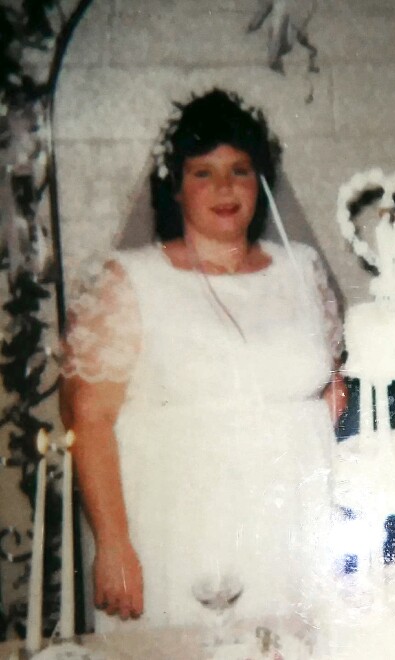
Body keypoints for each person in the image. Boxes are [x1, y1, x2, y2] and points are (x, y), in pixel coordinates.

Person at [59, 89, 347, 631]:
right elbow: (90, 417)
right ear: (175, 184)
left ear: (259, 182)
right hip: (182, 530)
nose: (224, 188)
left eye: (239, 170)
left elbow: (329, 382)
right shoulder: (131, 279)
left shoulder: (301, 267)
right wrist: (114, 545)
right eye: (203, 173)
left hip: (293, 526)